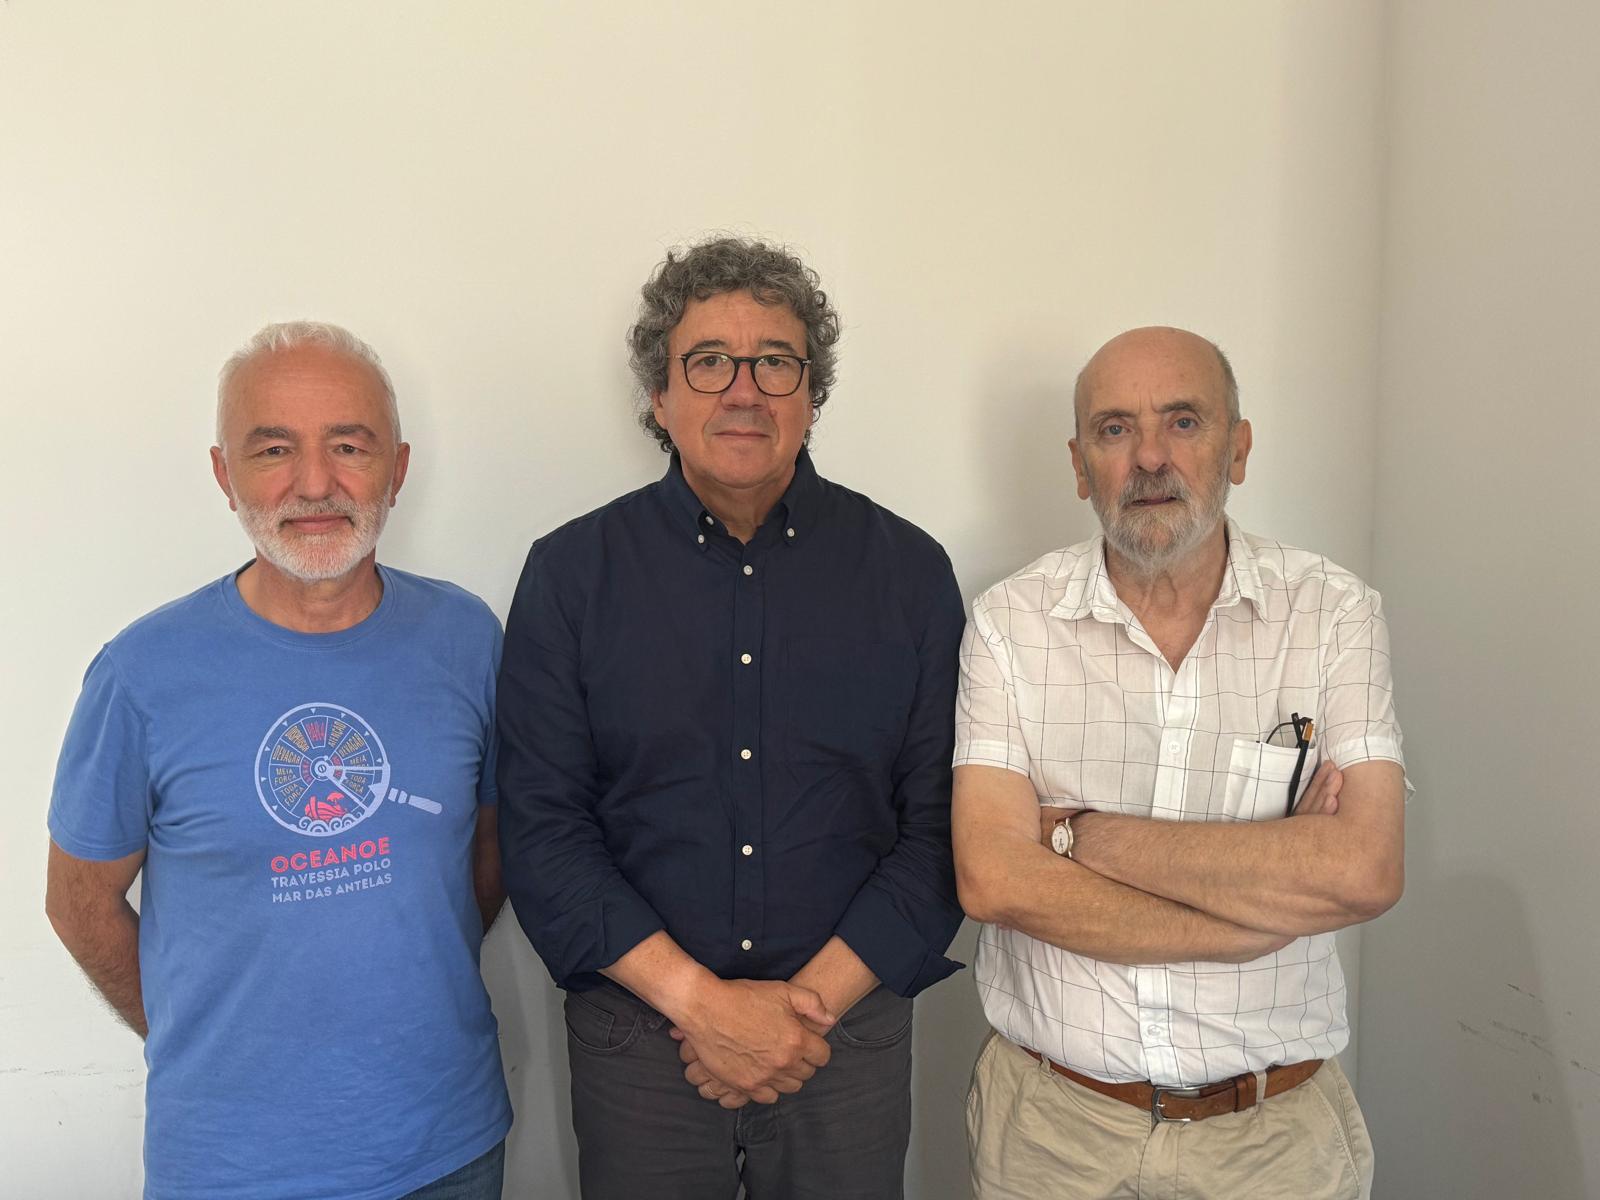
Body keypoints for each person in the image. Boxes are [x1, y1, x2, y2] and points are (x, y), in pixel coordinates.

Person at [497, 236, 965, 1199]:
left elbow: (941, 830)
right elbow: (543, 830)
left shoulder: (911, 575)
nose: (743, 391)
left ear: (812, 393)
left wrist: (798, 1014)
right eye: (708, 361)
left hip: (843, 1035)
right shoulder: (571, 576)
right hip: (641, 1039)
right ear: (660, 398)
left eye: (775, 362)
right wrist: (702, 1006)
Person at [45, 322, 511, 1200]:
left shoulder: (467, 639)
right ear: (224, 475)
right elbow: (78, 902)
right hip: (231, 1166)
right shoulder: (142, 674)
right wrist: (198, 1037)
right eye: (273, 449)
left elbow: (486, 856)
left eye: (350, 446)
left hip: (448, 1145)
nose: (315, 483)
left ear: (398, 469)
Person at [953, 326, 1407, 1200]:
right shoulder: (1010, 621)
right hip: (1052, 1136)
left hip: (1274, 1144)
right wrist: (1252, 921)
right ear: (1080, 465)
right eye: (1115, 429)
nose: (1150, 457)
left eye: (1184, 422)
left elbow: (1364, 868)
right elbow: (993, 880)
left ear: (1238, 448)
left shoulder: (1333, 613)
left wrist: (1083, 836)